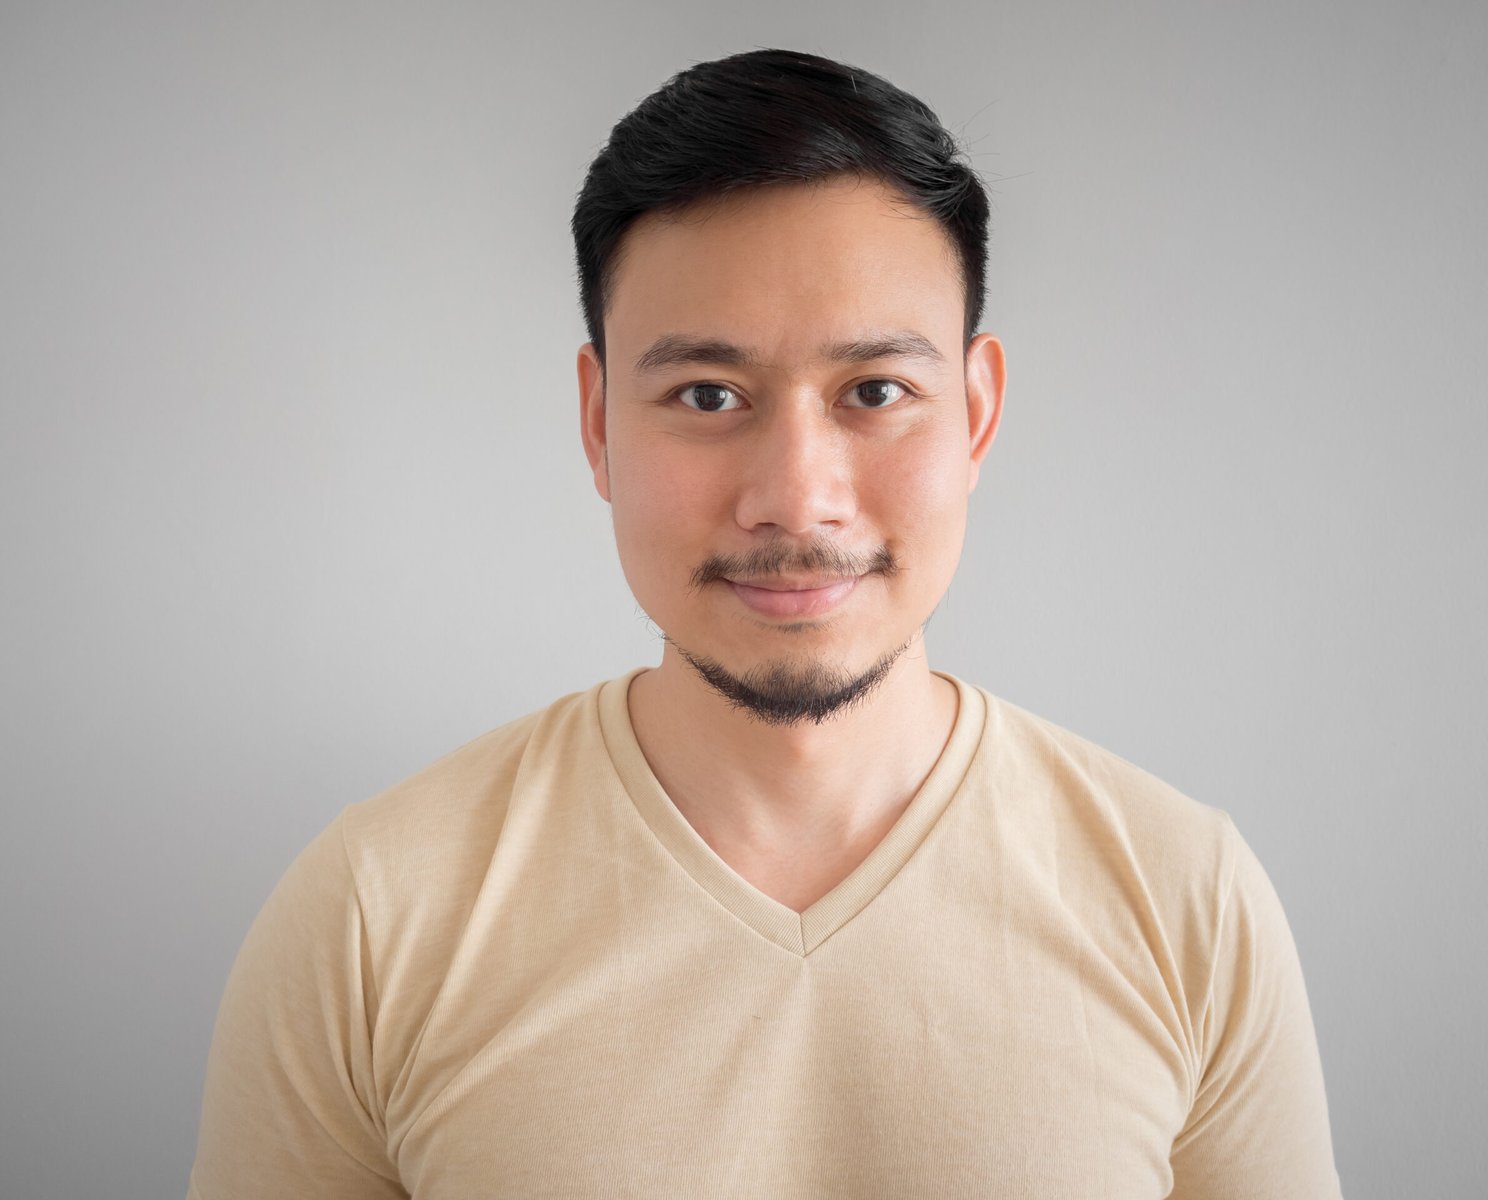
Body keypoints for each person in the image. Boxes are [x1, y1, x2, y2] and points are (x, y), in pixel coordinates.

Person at [189, 48, 1341, 1199]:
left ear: (977, 415)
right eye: (707, 396)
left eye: (874, 393)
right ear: (597, 423)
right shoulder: (373, 915)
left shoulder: (1185, 900)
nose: (795, 496)